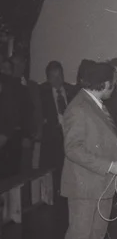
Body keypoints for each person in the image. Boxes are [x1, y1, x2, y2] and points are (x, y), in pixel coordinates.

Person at [59, 60, 117, 239]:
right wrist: (108, 166)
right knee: (79, 236)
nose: (115, 87)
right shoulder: (79, 108)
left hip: (101, 183)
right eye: (113, 83)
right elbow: (73, 149)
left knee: (96, 234)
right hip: (85, 184)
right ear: (105, 83)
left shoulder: (94, 103)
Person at [39, 61, 78, 191]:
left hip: (71, 141)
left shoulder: (72, 91)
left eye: (60, 75)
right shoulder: (42, 93)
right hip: (52, 142)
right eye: (53, 77)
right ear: (48, 79)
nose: (57, 80)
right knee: (53, 180)